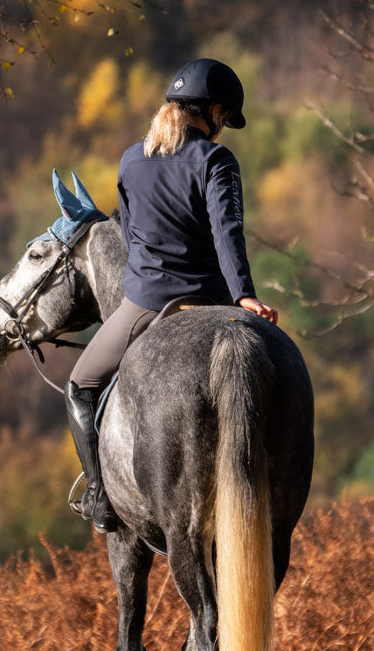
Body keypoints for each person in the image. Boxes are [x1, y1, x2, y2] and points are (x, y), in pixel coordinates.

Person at [64, 57, 279, 534]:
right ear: (215, 111)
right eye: (225, 119)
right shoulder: (216, 160)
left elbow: (129, 233)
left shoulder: (129, 159)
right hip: (213, 300)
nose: (224, 128)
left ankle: (100, 496)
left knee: (80, 385)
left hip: (144, 304)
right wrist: (243, 296)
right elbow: (229, 233)